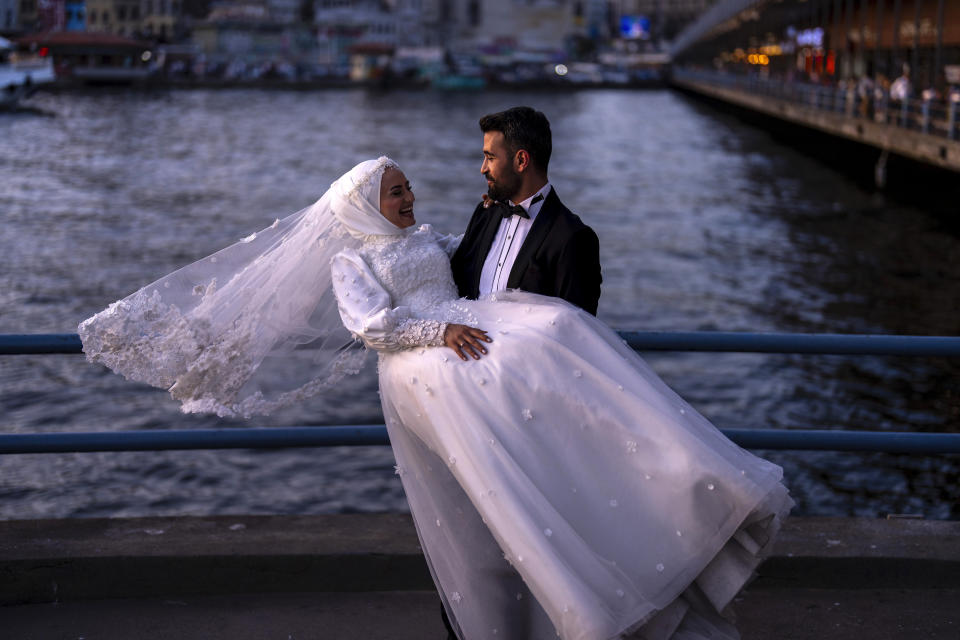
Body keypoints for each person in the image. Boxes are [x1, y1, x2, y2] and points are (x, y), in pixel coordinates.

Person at [80, 157, 792, 640]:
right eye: (395, 193)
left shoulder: (420, 235)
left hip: (470, 335)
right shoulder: (351, 257)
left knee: (560, 346)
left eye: (408, 189)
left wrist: (497, 219)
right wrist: (439, 328)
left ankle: (671, 496)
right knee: (495, 487)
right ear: (365, 204)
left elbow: (470, 255)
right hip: (428, 359)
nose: (408, 198)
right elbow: (371, 327)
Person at [451, 106, 601, 316]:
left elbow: (576, 330)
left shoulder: (573, 238)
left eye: (490, 157)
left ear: (521, 160)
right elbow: (456, 286)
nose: (483, 168)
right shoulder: (484, 213)